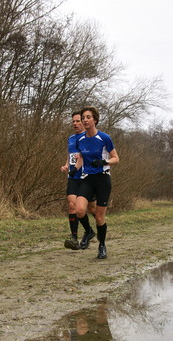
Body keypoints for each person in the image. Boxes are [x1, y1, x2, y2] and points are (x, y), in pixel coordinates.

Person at [74, 106, 120, 259]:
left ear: (95, 120)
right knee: (79, 210)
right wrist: (75, 169)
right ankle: (88, 231)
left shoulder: (104, 138)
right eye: (83, 118)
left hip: (103, 179)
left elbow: (116, 158)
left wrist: (103, 161)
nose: (85, 120)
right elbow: (81, 157)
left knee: (99, 218)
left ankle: (102, 245)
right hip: (88, 178)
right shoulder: (80, 139)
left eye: (88, 117)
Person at [61, 111, 96, 250]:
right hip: (73, 177)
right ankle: (74, 238)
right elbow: (71, 156)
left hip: (86, 177)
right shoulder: (70, 138)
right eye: (73, 121)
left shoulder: (88, 137)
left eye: (78, 121)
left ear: (83, 122)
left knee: (92, 208)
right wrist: (66, 166)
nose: (75, 123)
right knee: (71, 205)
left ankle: (89, 231)